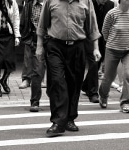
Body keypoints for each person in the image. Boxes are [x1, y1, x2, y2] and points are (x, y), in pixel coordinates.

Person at [36, 0, 101, 137]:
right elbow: (42, 25)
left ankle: (70, 119)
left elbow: (92, 27)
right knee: (57, 81)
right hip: (55, 46)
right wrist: (39, 46)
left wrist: (95, 48)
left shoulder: (86, 2)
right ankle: (58, 122)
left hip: (77, 47)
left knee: (74, 83)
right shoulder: (51, 1)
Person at [99, 0, 129, 113]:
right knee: (108, 78)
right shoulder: (112, 13)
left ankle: (125, 102)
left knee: (128, 74)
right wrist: (112, 42)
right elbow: (104, 31)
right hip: (112, 49)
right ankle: (103, 95)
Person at [81, 0, 115, 103]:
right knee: (93, 62)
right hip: (87, 36)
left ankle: (85, 86)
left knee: (98, 62)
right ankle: (93, 93)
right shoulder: (88, 2)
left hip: (103, 37)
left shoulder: (110, 4)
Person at [0, 0, 21, 97]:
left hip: (9, 35)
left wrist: (17, 35)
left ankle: (4, 80)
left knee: (10, 61)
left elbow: (16, 19)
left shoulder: (12, 2)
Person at [20, 0, 46, 112]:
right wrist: (27, 39)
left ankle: (55, 97)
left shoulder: (50, 3)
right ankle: (35, 101)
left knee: (56, 72)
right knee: (37, 71)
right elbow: (23, 22)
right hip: (34, 41)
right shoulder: (29, 4)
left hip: (50, 41)